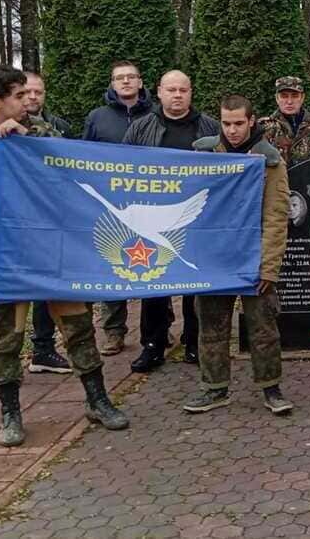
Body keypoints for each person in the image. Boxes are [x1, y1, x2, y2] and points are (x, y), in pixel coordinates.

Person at [0, 64, 128, 447]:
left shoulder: (38, 129)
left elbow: (67, 158)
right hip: (6, 260)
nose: (28, 101)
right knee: (7, 339)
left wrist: (27, 138)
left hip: (52, 253)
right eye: (18, 95)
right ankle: (10, 414)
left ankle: (98, 400)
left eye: (29, 94)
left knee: (78, 327)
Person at [183, 95, 293, 415]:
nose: (231, 130)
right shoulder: (201, 153)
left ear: (252, 121)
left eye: (238, 124)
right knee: (211, 325)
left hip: (253, 258)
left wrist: (269, 269)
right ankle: (214, 388)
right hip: (213, 259)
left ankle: (271, 387)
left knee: (263, 328)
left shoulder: (269, 160)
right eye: (226, 123)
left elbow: (276, 216)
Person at [122, 70, 221, 373]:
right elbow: (122, 170)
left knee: (196, 283)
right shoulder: (140, 128)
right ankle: (152, 345)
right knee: (153, 281)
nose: (177, 95)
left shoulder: (210, 128)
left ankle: (194, 342)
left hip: (197, 219)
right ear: (159, 92)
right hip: (153, 217)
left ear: (191, 92)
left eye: (183, 90)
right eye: (171, 90)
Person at [83, 60, 154, 355]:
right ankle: (113, 331)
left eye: (130, 77)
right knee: (113, 265)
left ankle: (157, 329)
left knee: (156, 264)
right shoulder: (97, 117)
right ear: (112, 84)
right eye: (119, 78)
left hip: (150, 201)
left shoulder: (155, 114)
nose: (125, 82)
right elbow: (84, 157)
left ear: (140, 82)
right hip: (111, 205)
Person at [18, 71, 73, 375]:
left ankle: (44, 349)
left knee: (50, 285)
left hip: (53, 218)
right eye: (27, 92)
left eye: (38, 92)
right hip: (20, 220)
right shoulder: (0, 130)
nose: (33, 98)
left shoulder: (58, 128)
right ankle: (17, 361)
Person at [258, 75, 310, 165]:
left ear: (302, 98)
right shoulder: (264, 128)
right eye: (284, 96)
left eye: (295, 96)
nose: (289, 101)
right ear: (277, 98)